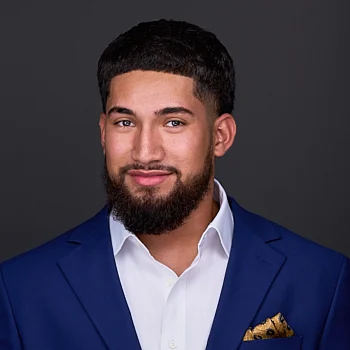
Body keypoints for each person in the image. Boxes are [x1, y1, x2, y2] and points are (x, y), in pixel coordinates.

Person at [0, 19, 349, 350]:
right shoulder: (20, 290)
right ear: (104, 133)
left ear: (220, 135)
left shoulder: (322, 280)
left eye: (173, 122)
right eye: (125, 122)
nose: (145, 151)